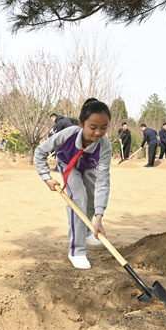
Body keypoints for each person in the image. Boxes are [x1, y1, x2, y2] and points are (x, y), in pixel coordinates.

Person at [35, 99, 112, 270]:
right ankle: (77, 251)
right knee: (78, 199)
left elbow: (103, 181)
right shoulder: (68, 134)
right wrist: (46, 176)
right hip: (68, 165)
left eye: (104, 127)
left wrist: (99, 217)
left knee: (91, 200)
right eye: (93, 127)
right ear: (81, 124)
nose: (98, 133)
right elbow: (40, 151)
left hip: (88, 168)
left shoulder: (105, 146)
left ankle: (86, 231)